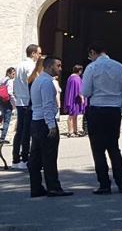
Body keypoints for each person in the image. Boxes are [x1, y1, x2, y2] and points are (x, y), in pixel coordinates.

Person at [82, 42, 122, 194]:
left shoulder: (92, 68)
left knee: (98, 149)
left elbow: (86, 91)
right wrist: (119, 108)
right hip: (114, 110)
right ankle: (121, 183)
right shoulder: (119, 67)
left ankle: (104, 184)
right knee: (114, 147)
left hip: (97, 109)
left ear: (93, 52)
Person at [28, 56, 72, 198]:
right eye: (57, 65)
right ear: (48, 66)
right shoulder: (47, 82)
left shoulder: (38, 80)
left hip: (36, 121)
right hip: (44, 122)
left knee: (35, 156)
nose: (60, 68)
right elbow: (47, 105)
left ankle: (36, 187)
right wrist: (51, 126)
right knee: (49, 157)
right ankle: (53, 187)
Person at [12, 43, 42, 169]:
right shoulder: (30, 65)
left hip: (20, 100)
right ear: (33, 53)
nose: (40, 56)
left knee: (20, 131)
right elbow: (32, 81)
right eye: (39, 53)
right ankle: (24, 158)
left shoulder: (19, 65)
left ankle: (15, 158)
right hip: (27, 101)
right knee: (26, 131)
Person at [63, 65, 85, 138]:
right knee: (72, 115)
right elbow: (79, 89)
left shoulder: (70, 77)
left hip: (72, 97)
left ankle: (74, 130)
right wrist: (82, 97)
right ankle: (70, 131)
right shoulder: (76, 78)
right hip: (75, 99)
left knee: (74, 115)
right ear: (79, 71)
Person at [1, 67, 15, 144]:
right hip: (7, 101)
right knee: (7, 121)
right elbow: (10, 93)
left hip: (1, 100)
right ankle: (2, 138)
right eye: (13, 74)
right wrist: (14, 104)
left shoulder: (2, 80)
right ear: (9, 73)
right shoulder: (10, 81)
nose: (14, 76)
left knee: (2, 118)